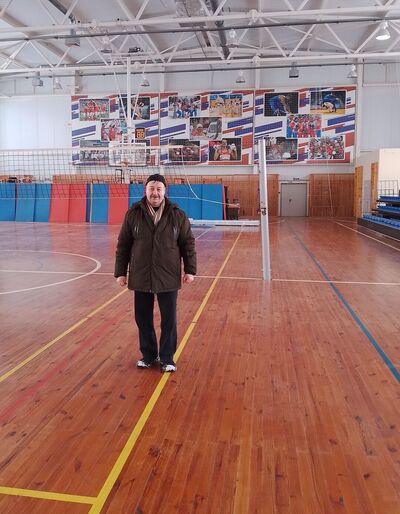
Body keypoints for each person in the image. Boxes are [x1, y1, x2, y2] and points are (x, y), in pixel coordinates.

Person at [114, 173, 197, 372]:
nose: (155, 193)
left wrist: (190, 269)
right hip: (141, 275)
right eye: (151, 188)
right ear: (145, 190)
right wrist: (120, 272)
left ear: (164, 191)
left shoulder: (177, 215)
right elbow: (123, 245)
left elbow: (188, 243)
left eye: (159, 189)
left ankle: (167, 358)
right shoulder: (133, 214)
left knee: (169, 319)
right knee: (143, 318)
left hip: (168, 275)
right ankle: (149, 355)